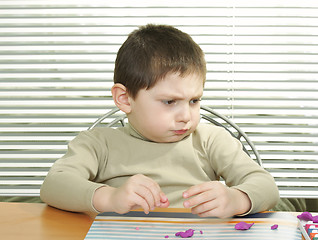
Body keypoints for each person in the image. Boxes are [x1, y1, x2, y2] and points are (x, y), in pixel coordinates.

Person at [40, 24, 279, 218]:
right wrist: (111, 198)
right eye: (169, 102)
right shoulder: (98, 143)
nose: (186, 115)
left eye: (194, 100)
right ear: (125, 99)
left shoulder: (210, 140)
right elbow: (54, 185)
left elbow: (265, 185)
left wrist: (236, 199)